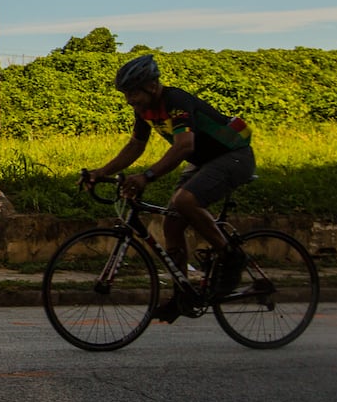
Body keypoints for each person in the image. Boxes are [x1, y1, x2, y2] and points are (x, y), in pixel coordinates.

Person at [82, 53, 255, 323]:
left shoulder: (176, 101)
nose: (129, 100)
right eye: (125, 94)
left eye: (132, 93)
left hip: (234, 156)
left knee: (185, 200)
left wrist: (147, 177)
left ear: (151, 86)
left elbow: (184, 145)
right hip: (203, 162)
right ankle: (182, 295)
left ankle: (231, 256)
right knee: (172, 223)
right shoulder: (144, 109)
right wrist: (100, 172)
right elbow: (135, 146)